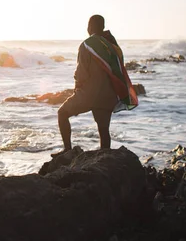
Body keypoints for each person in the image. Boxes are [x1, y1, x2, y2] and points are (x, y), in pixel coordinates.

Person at [53, 15, 137, 156]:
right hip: (108, 96)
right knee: (104, 130)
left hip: (88, 95)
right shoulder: (112, 46)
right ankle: (105, 157)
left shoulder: (87, 45)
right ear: (102, 27)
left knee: (62, 113)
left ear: (90, 27)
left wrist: (77, 88)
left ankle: (67, 150)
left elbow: (81, 74)